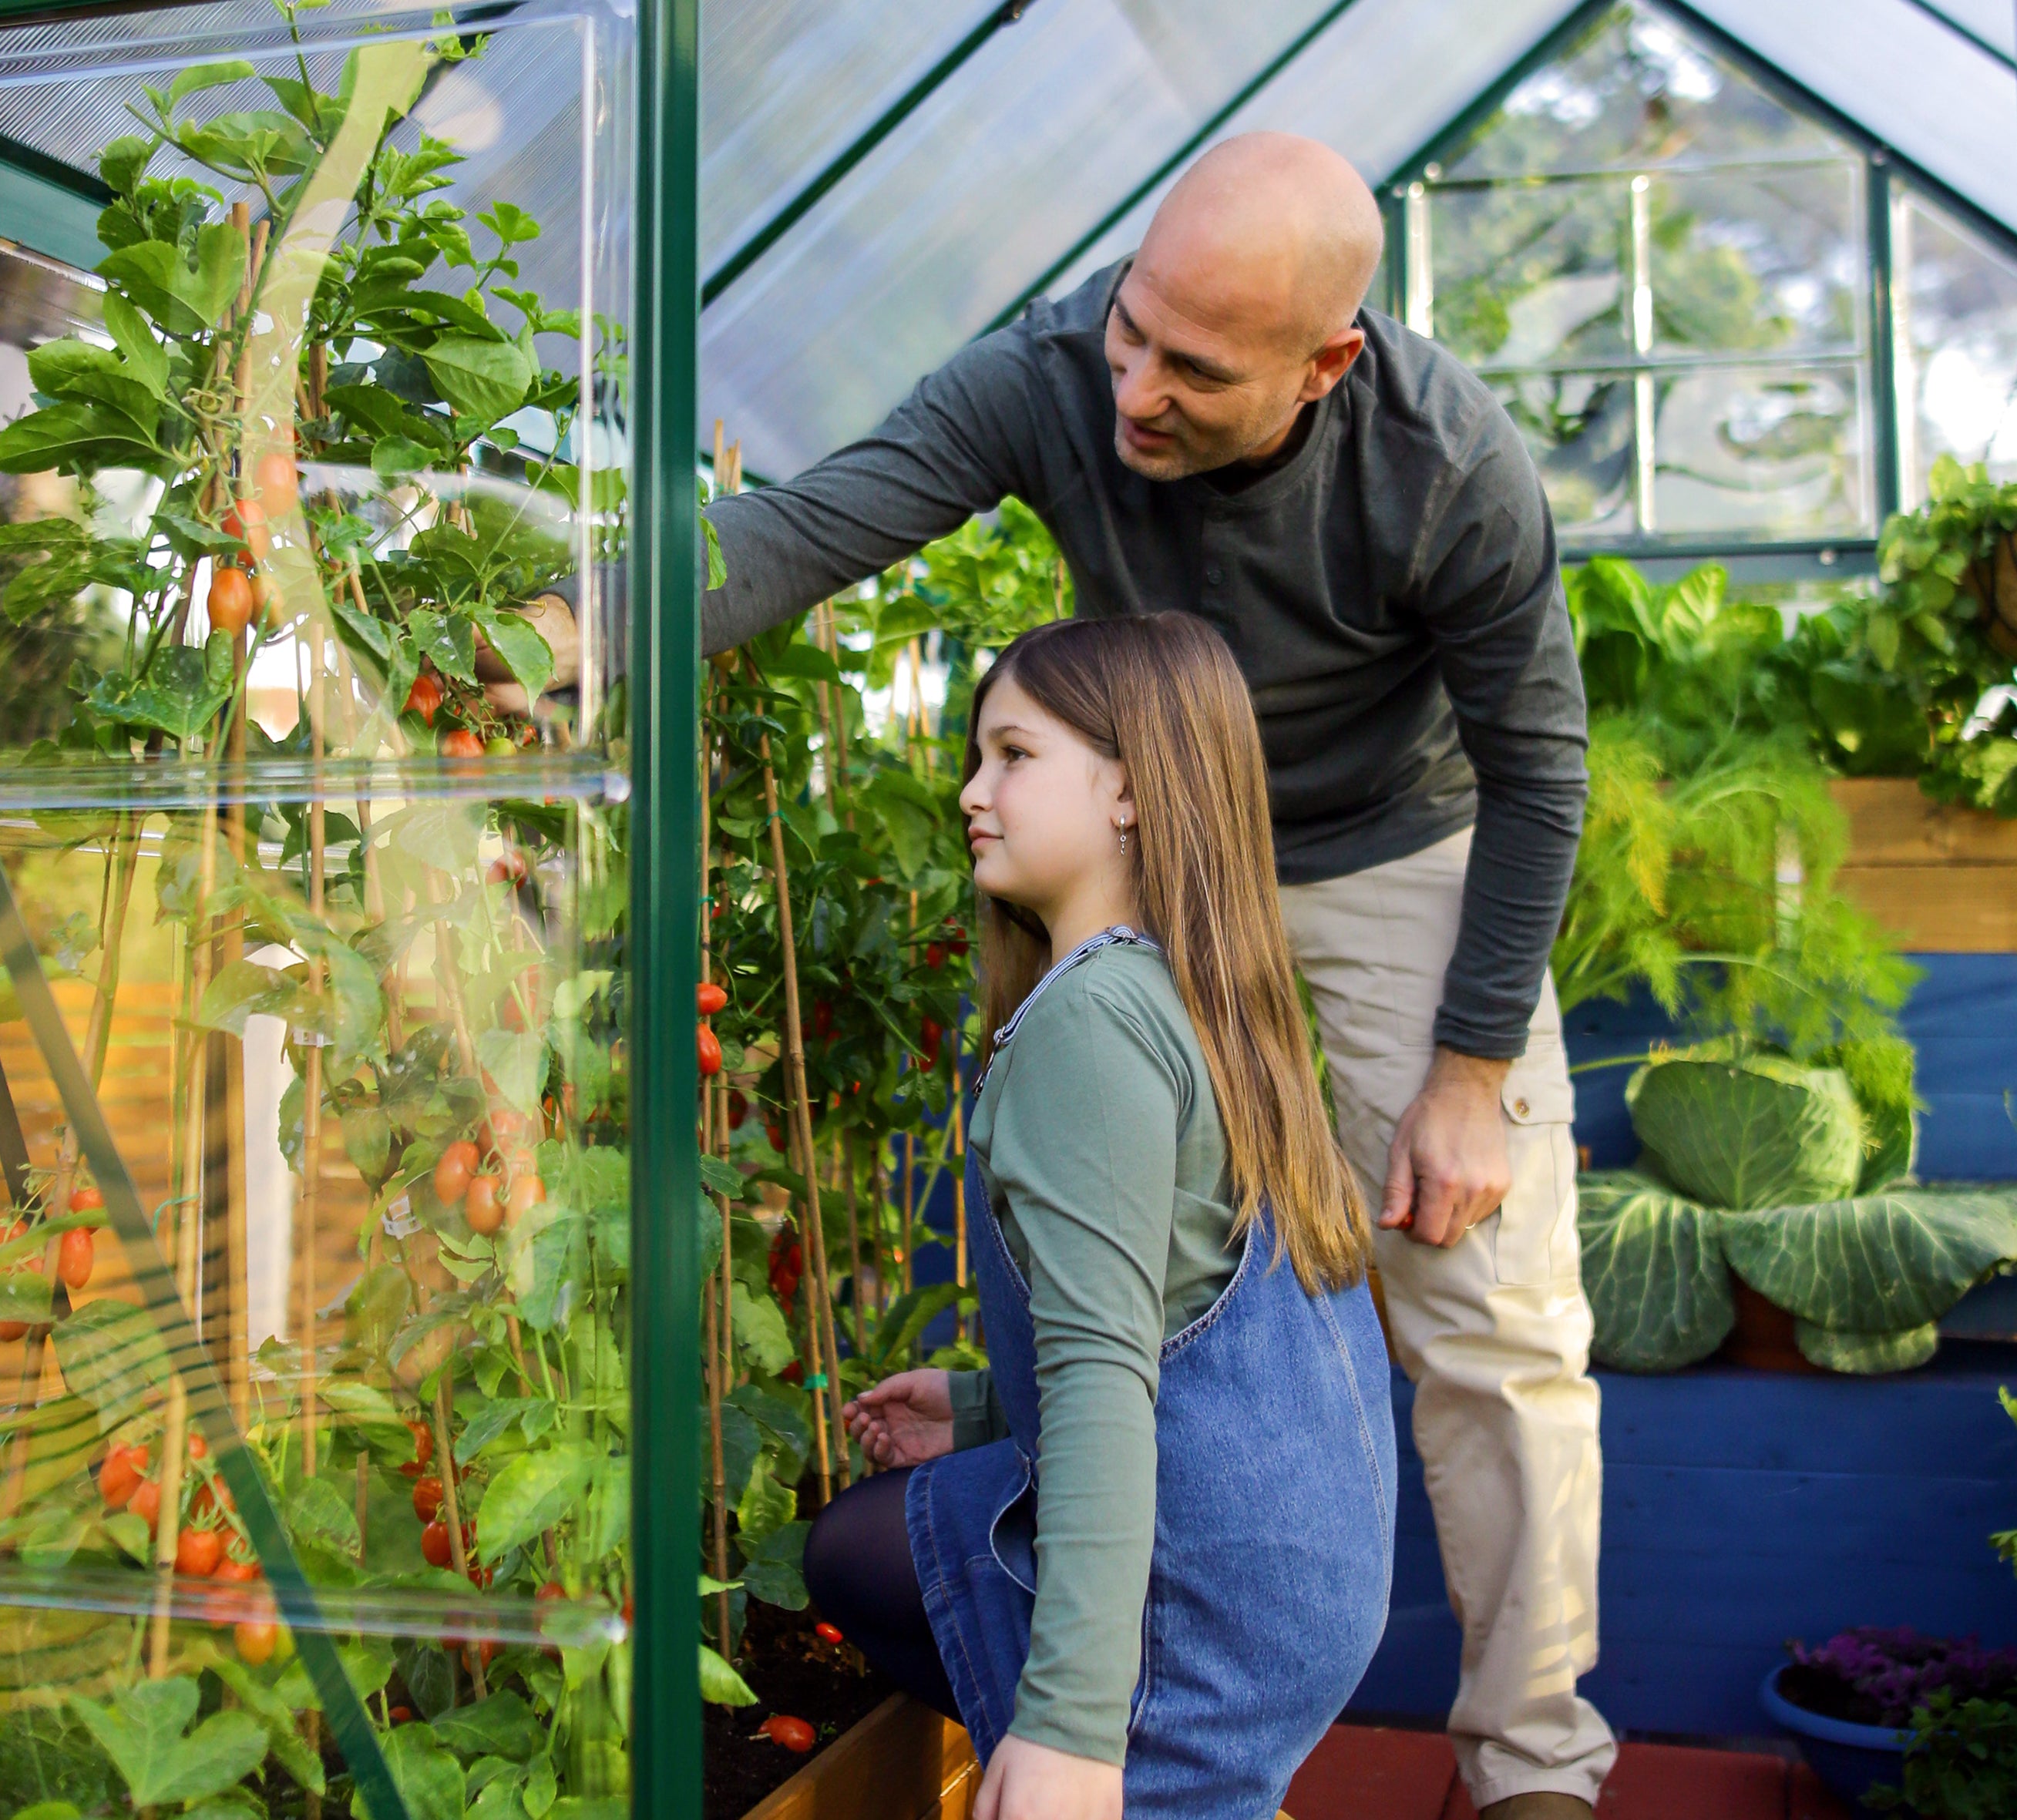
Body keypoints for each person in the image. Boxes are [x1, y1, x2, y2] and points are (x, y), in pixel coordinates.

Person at [682, 130, 1609, 1819]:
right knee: (1179, 1267)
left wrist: (1470, 1069)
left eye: (1193, 366)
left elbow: (1541, 768)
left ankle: (1532, 1762)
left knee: (1491, 1319)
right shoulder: (1050, 373)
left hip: (1397, 848)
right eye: (1131, 323)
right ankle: (1150, 1648)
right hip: (1187, 848)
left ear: (1326, 363)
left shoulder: (1444, 461)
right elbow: (811, 526)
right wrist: (577, 617)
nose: (1134, 385)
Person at [809, 612, 1395, 1820]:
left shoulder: (1089, 1025)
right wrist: (981, 1405)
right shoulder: (1199, 996)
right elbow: (1206, 1330)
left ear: (1127, 790)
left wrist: (1072, 1728)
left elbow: (1098, 1375)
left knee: (860, 1561)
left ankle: (1140, 1763)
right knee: (862, 1542)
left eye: (1012, 756)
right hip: (1299, 1574)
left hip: (1204, 1605)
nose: (972, 791)